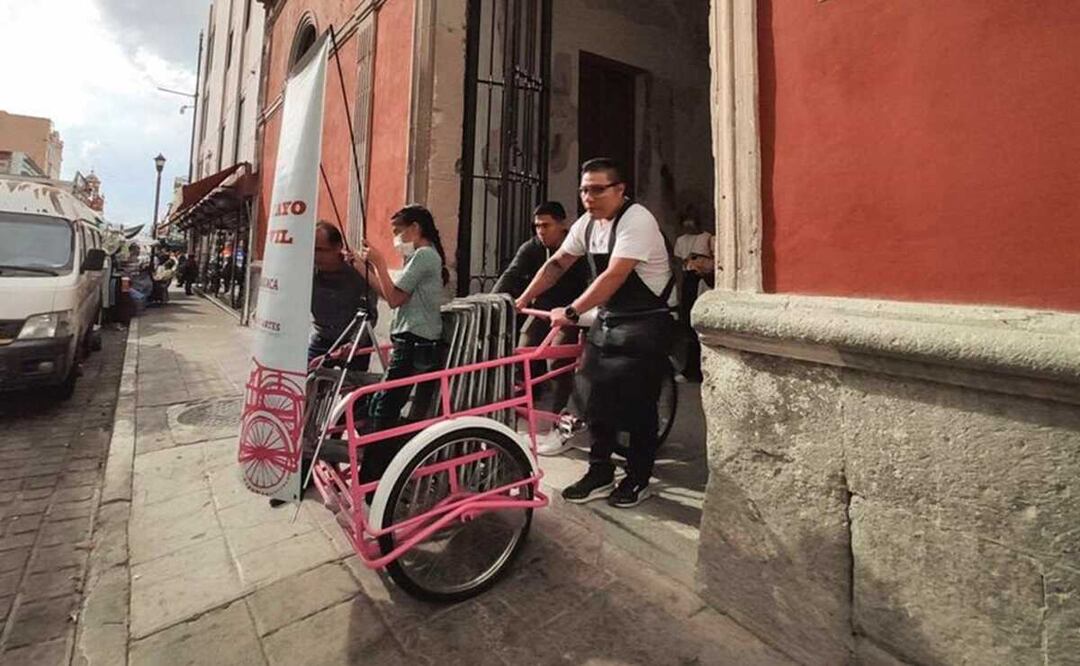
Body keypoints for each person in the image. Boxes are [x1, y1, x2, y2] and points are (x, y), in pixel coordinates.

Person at [516, 158, 676, 508]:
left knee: (639, 405)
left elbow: (614, 275)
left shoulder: (637, 220)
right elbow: (557, 263)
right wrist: (524, 297)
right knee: (593, 398)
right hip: (610, 318)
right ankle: (599, 472)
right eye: (584, 189)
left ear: (620, 190)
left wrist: (571, 311)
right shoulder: (587, 224)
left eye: (598, 189)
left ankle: (637, 478)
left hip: (646, 321)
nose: (589, 196)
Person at [355, 204, 448, 487]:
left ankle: (374, 478)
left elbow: (394, 299)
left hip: (416, 343)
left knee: (384, 408)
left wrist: (380, 263)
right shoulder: (419, 258)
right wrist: (363, 267)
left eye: (398, 232)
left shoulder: (424, 256)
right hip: (410, 340)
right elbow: (390, 294)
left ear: (415, 228)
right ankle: (375, 472)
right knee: (381, 405)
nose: (396, 239)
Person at [493, 201, 588, 452]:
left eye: (546, 225)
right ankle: (521, 410)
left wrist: (577, 314)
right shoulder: (533, 247)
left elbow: (593, 284)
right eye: (537, 226)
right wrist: (491, 302)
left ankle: (560, 424)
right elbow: (511, 275)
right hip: (542, 309)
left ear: (563, 225)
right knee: (521, 353)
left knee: (557, 363)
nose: (541, 231)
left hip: (572, 312)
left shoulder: (579, 248)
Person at [310, 221, 378, 365]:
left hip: (354, 342)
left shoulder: (359, 271)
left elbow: (370, 312)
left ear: (338, 247)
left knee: (351, 384)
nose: (316, 256)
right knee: (306, 377)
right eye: (313, 250)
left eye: (322, 250)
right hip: (322, 338)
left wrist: (355, 342)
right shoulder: (307, 271)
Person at [672, 210, 713, 383]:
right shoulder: (681, 241)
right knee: (688, 325)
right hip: (688, 279)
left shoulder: (707, 238)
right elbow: (678, 262)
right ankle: (690, 368)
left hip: (702, 279)